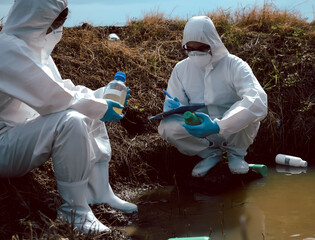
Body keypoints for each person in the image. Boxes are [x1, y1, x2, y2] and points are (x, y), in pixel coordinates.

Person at [0, 0, 137, 234]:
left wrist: (103, 95)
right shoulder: (6, 48)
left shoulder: (34, 49)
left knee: (87, 109)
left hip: (19, 136)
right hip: (4, 143)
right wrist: (101, 106)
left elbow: (63, 87)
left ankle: (99, 191)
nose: (56, 30)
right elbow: (53, 97)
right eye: (53, 23)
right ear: (35, 17)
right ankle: (74, 211)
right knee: (72, 119)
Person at [158, 16, 268, 177]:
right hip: (200, 130)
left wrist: (219, 125)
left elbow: (257, 101)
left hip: (234, 130)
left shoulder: (235, 65)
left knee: (244, 109)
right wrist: (174, 107)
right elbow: (173, 100)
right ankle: (210, 154)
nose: (195, 54)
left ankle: (235, 154)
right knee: (168, 126)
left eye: (201, 48)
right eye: (190, 49)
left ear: (212, 43)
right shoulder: (181, 70)